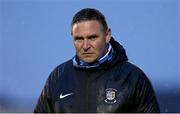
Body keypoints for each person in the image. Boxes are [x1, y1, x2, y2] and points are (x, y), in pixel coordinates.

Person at [34, 8, 160, 113]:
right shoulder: (58, 77)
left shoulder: (133, 78)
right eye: (79, 39)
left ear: (107, 35)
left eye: (92, 37)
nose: (85, 45)